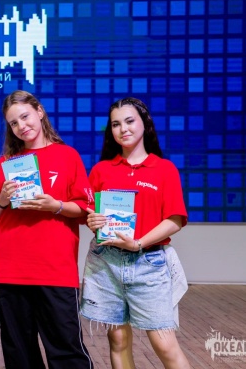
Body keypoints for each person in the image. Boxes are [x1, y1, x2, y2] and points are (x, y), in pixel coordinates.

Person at [80, 97, 191, 368]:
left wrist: (138, 243)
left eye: (129, 121)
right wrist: (92, 220)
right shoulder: (101, 170)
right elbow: (90, 214)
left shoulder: (164, 169)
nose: (123, 129)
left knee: (164, 344)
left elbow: (175, 220)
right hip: (106, 262)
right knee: (117, 340)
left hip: (149, 263)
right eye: (116, 124)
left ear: (145, 123)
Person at [0, 90, 95, 369]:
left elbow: (84, 209)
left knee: (66, 349)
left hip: (54, 267)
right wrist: (3, 199)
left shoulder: (67, 156)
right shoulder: (6, 163)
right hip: (8, 267)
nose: (21, 126)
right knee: (19, 352)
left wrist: (55, 206)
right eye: (13, 123)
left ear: (40, 111)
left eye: (25, 116)